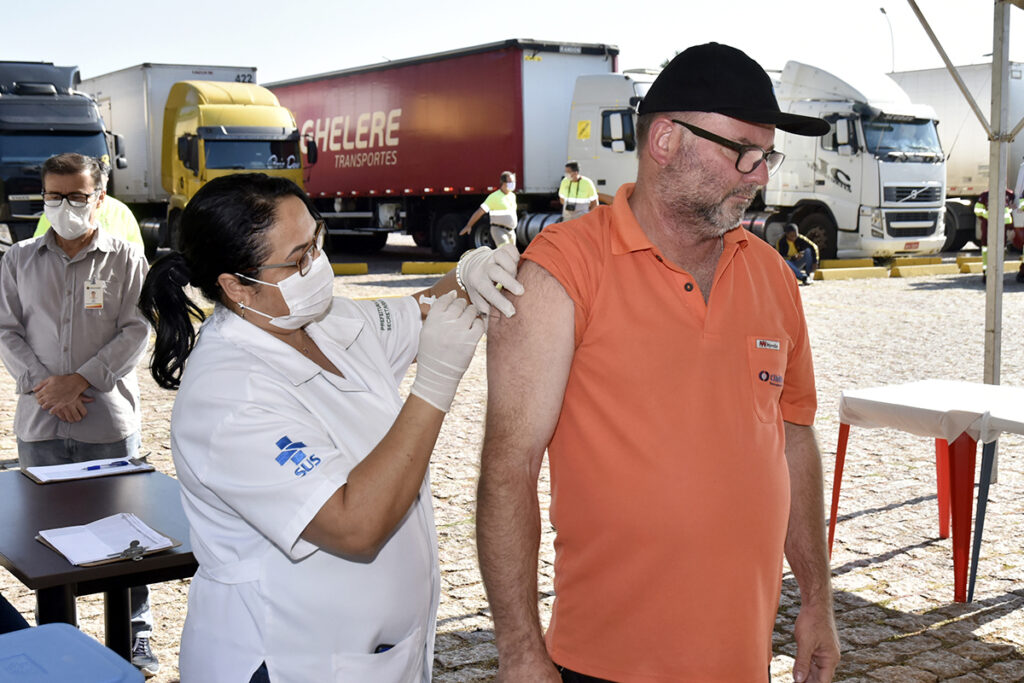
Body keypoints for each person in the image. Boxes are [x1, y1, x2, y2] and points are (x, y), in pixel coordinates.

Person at [477, 42, 841, 683]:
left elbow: (793, 438)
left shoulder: (772, 276)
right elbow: (510, 468)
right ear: (666, 140)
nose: (760, 175)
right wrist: (519, 650)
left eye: (768, 155)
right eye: (744, 153)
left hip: (743, 660)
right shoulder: (565, 270)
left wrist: (817, 599)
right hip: (603, 665)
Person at [138, 172, 523, 683]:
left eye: (316, 242)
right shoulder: (228, 396)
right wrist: (433, 387)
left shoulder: (325, 319)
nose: (316, 265)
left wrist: (471, 270)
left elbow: (427, 307)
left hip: (374, 656)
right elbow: (354, 525)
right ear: (236, 287)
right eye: (298, 260)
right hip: (290, 659)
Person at [0, 153, 157, 676]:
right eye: (53, 196)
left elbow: (136, 330)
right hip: (40, 420)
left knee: (127, 539)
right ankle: (53, 637)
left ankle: (135, 638)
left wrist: (81, 380)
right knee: (42, 541)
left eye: (75, 196)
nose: (63, 206)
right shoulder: (17, 259)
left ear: (100, 198)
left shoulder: (128, 259)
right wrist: (46, 388)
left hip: (106, 421)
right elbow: (7, 331)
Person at [33, 162, 145, 254]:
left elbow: (137, 249)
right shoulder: (58, 209)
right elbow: (39, 245)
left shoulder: (121, 210)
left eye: (101, 183)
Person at [459, 171, 518, 246]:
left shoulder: (512, 196)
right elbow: (480, 211)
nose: (513, 184)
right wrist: (469, 225)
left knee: (513, 255)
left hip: (511, 231)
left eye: (514, 181)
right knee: (505, 251)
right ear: (503, 182)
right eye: (510, 182)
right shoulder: (494, 197)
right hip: (499, 230)